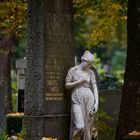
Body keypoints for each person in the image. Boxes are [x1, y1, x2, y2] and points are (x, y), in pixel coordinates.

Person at [65, 51, 99, 140]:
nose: (90, 66)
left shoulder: (91, 73)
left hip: (89, 99)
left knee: (88, 126)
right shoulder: (73, 70)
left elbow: (94, 88)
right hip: (77, 99)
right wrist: (78, 82)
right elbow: (66, 85)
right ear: (84, 60)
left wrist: (96, 103)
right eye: (89, 64)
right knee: (80, 126)